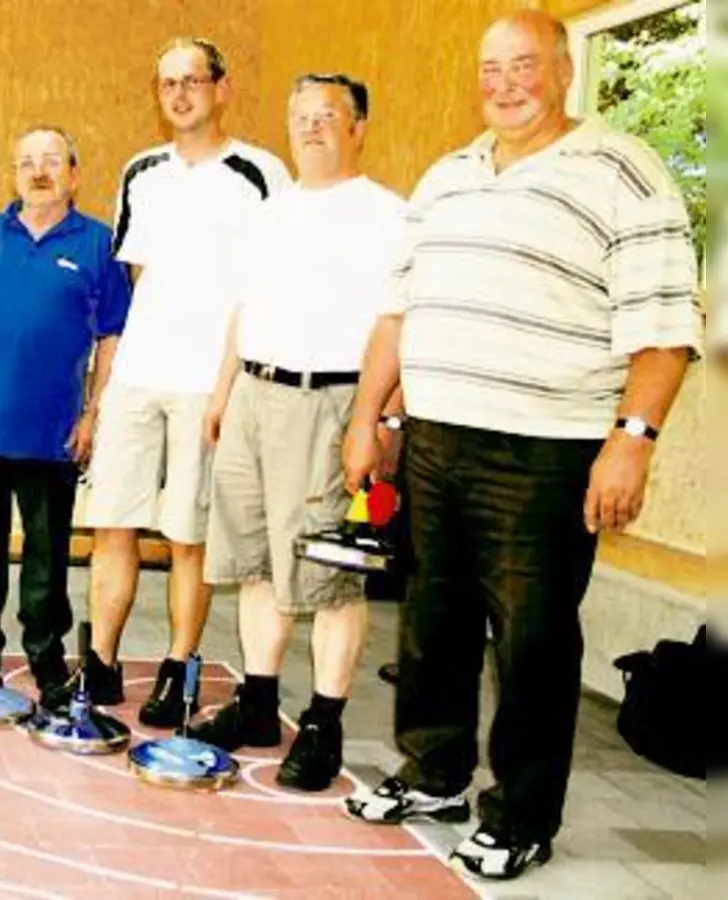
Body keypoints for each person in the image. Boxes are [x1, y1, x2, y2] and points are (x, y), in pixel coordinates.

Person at [340, 11, 702, 880]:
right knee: (433, 621)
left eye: (524, 66)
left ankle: (523, 815)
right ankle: (433, 774)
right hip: (434, 437)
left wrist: (632, 440)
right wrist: (369, 416)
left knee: (534, 640)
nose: (505, 83)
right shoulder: (448, 175)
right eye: (491, 68)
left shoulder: (624, 170)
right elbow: (400, 310)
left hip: (546, 451)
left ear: (564, 70)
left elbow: (666, 327)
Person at [189, 74, 406, 793]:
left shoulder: (389, 216)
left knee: (332, 573)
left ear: (360, 127)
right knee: (253, 562)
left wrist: (381, 421)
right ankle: (257, 703)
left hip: (333, 404)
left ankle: (323, 722)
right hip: (254, 394)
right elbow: (242, 308)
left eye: (327, 117)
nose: (311, 128)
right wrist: (224, 394)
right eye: (301, 116)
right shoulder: (270, 213)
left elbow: (398, 325)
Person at [83, 36, 292, 726]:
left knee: (188, 538)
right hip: (139, 379)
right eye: (167, 82)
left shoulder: (261, 173)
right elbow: (137, 275)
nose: (179, 94)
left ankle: (178, 667)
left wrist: (231, 386)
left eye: (192, 81)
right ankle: (101, 664)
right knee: (113, 522)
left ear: (221, 88)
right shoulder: (141, 172)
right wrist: (110, 383)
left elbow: (268, 289)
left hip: (209, 384)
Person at [0, 125, 131, 714]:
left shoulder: (96, 244)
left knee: (47, 556)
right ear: (13, 173)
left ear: (73, 171)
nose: (38, 172)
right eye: (26, 163)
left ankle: (46, 657)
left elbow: (111, 337)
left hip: (54, 435)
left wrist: (95, 411)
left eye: (50, 161)